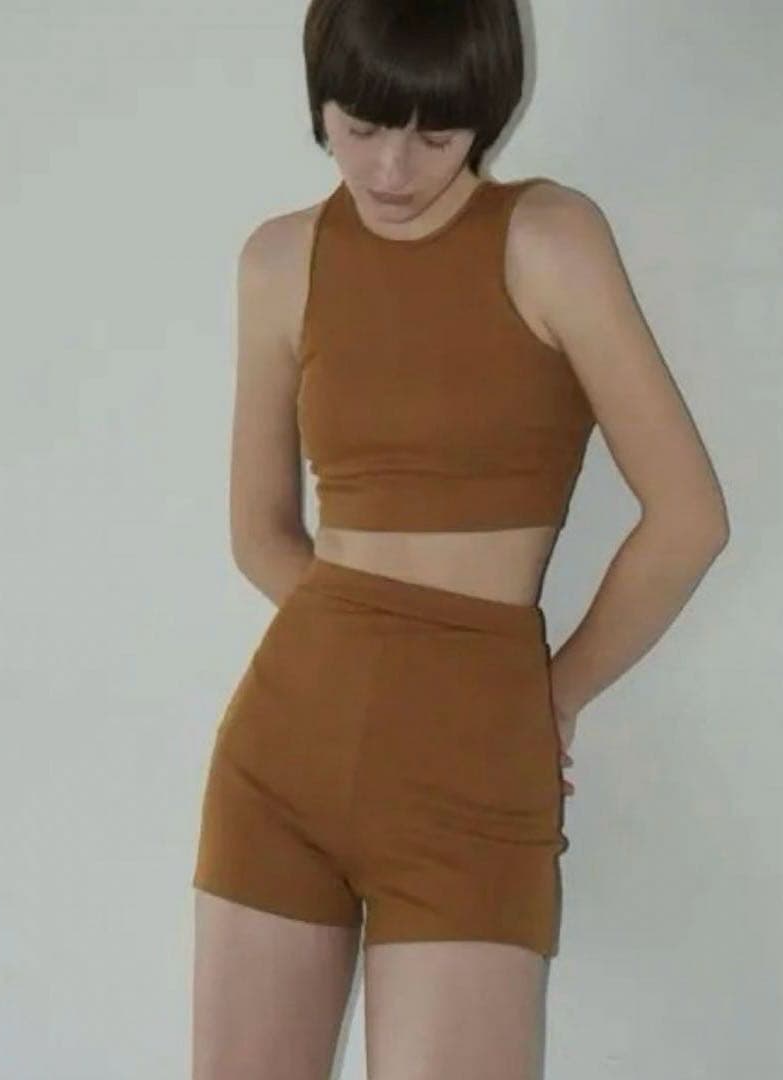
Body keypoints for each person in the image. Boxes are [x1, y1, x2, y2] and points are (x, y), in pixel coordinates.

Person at [190, 1, 730, 1076]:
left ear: (489, 114)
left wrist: (548, 694)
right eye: (359, 128)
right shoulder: (280, 260)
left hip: (474, 769)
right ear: (320, 103)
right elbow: (258, 533)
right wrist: (376, 656)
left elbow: (688, 520)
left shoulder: (548, 239)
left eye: (435, 137)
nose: (391, 170)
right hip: (284, 755)